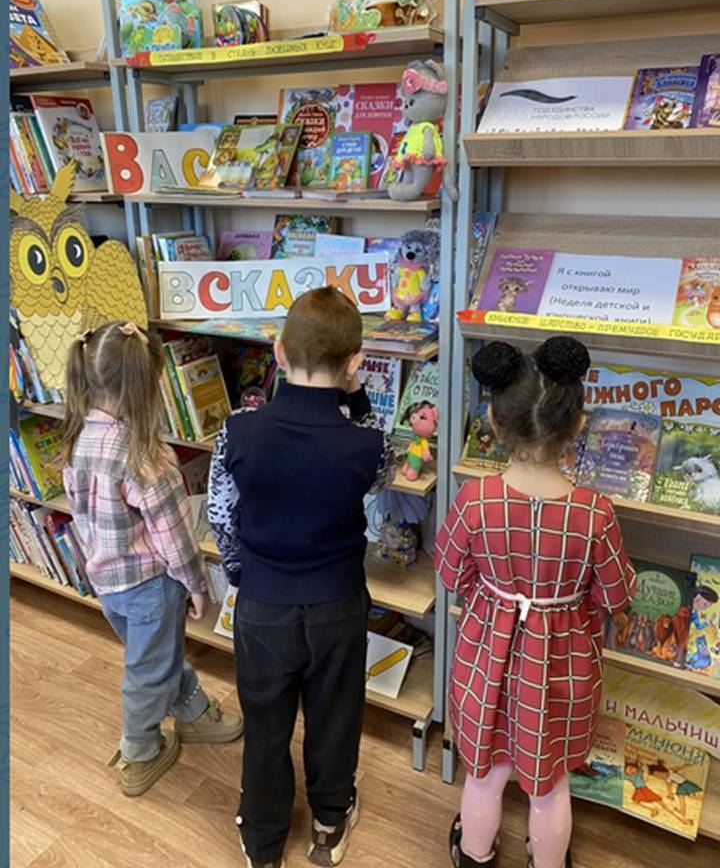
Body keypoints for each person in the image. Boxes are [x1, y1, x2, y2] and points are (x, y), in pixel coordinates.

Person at [208, 287, 396, 868]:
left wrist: (243, 575)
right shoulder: (368, 443)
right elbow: (381, 475)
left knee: (265, 723)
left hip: (262, 602)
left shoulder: (237, 430)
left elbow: (221, 516)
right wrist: (355, 394)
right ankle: (329, 820)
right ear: (355, 361)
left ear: (279, 352)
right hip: (337, 603)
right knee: (335, 718)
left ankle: (263, 840)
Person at [435, 337, 636, 868]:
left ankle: (474, 854)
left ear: (494, 423)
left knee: (485, 774)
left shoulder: (474, 499)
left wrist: (498, 590)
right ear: (578, 426)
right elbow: (617, 594)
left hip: (485, 662)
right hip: (563, 671)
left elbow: (451, 574)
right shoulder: (595, 513)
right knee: (550, 785)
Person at [62, 321, 243, 797]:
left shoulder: (77, 442)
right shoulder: (146, 458)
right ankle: (140, 751)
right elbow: (175, 538)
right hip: (150, 587)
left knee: (156, 655)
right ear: (146, 388)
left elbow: (82, 517)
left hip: (108, 583)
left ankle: (191, 711)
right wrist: (197, 585)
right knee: (147, 672)